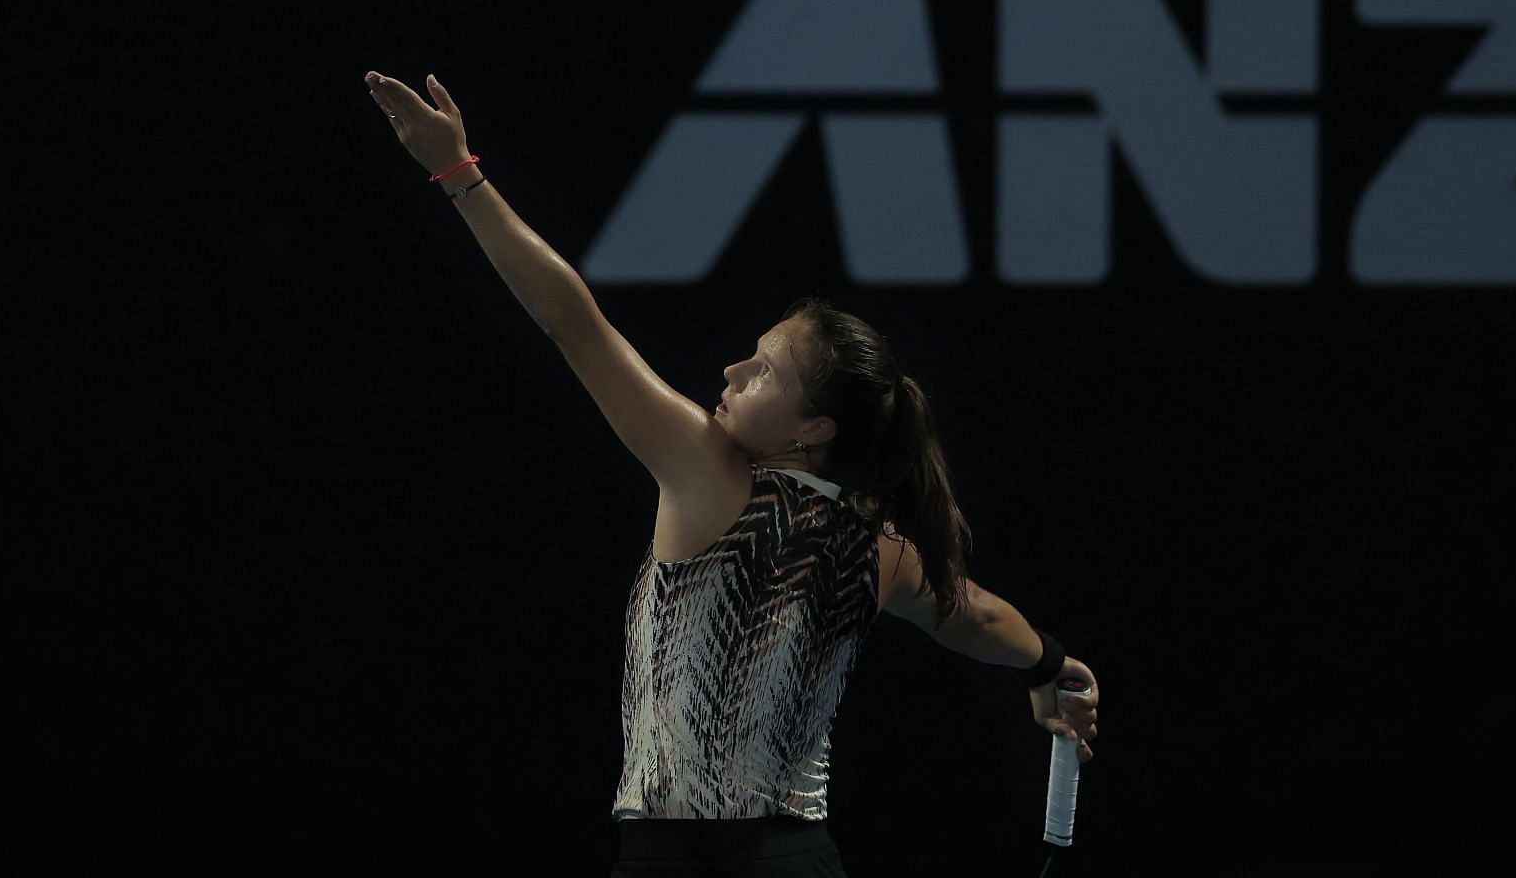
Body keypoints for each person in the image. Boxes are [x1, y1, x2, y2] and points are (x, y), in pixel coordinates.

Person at [365, 71, 1101, 876]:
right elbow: (976, 617)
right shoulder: (876, 544)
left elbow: (571, 319)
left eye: (763, 373)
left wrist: (458, 174)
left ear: (814, 427)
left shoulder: (708, 469)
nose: (732, 369)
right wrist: (1046, 663)